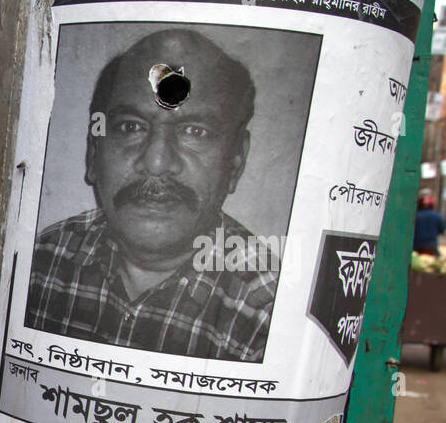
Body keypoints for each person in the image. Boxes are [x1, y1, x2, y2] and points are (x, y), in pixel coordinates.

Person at [25, 28, 277, 363]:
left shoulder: (268, 311)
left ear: (235, 162)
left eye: (194, 132)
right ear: (93, 151)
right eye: (131, 126)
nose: (157, 162)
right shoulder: (42, 262)